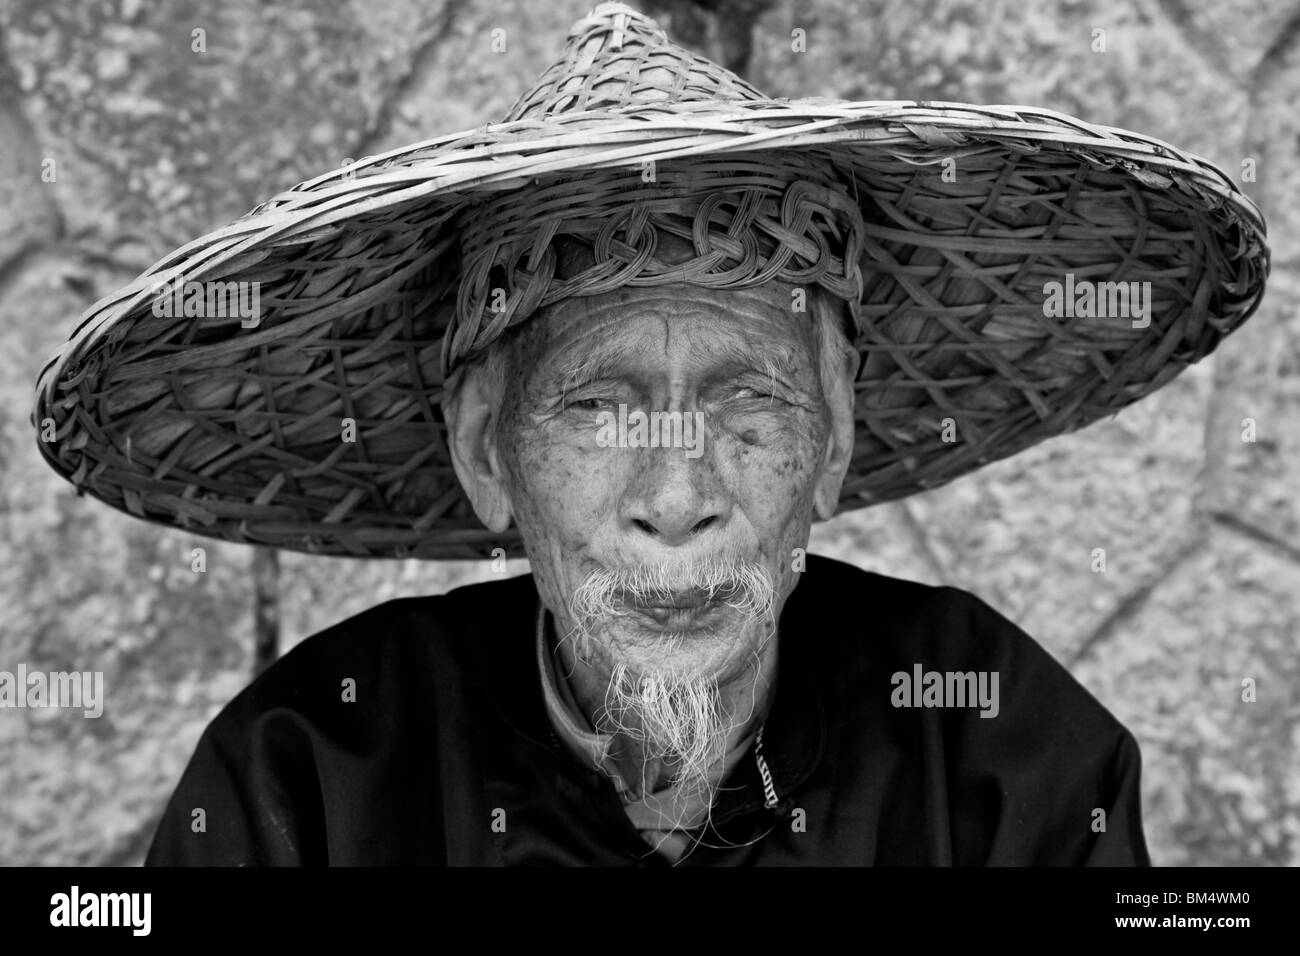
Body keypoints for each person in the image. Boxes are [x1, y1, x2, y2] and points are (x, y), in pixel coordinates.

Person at [32, 4, 1267, 865]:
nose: (677, 495)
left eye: (751, 404)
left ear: (832, 435)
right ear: (485, 450)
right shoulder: (311, 777)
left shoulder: (998, 753)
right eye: (599, 406)